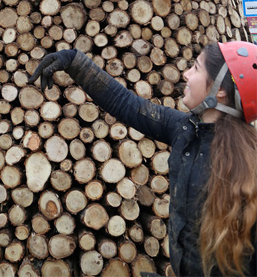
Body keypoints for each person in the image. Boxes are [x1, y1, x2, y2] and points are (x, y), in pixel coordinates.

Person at [29, 41, 257, 277]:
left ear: (220, 90)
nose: (186, 74)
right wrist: (74, 63)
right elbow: (127, 104)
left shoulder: (250, 166)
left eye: (196, 68)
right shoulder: (186, 130)